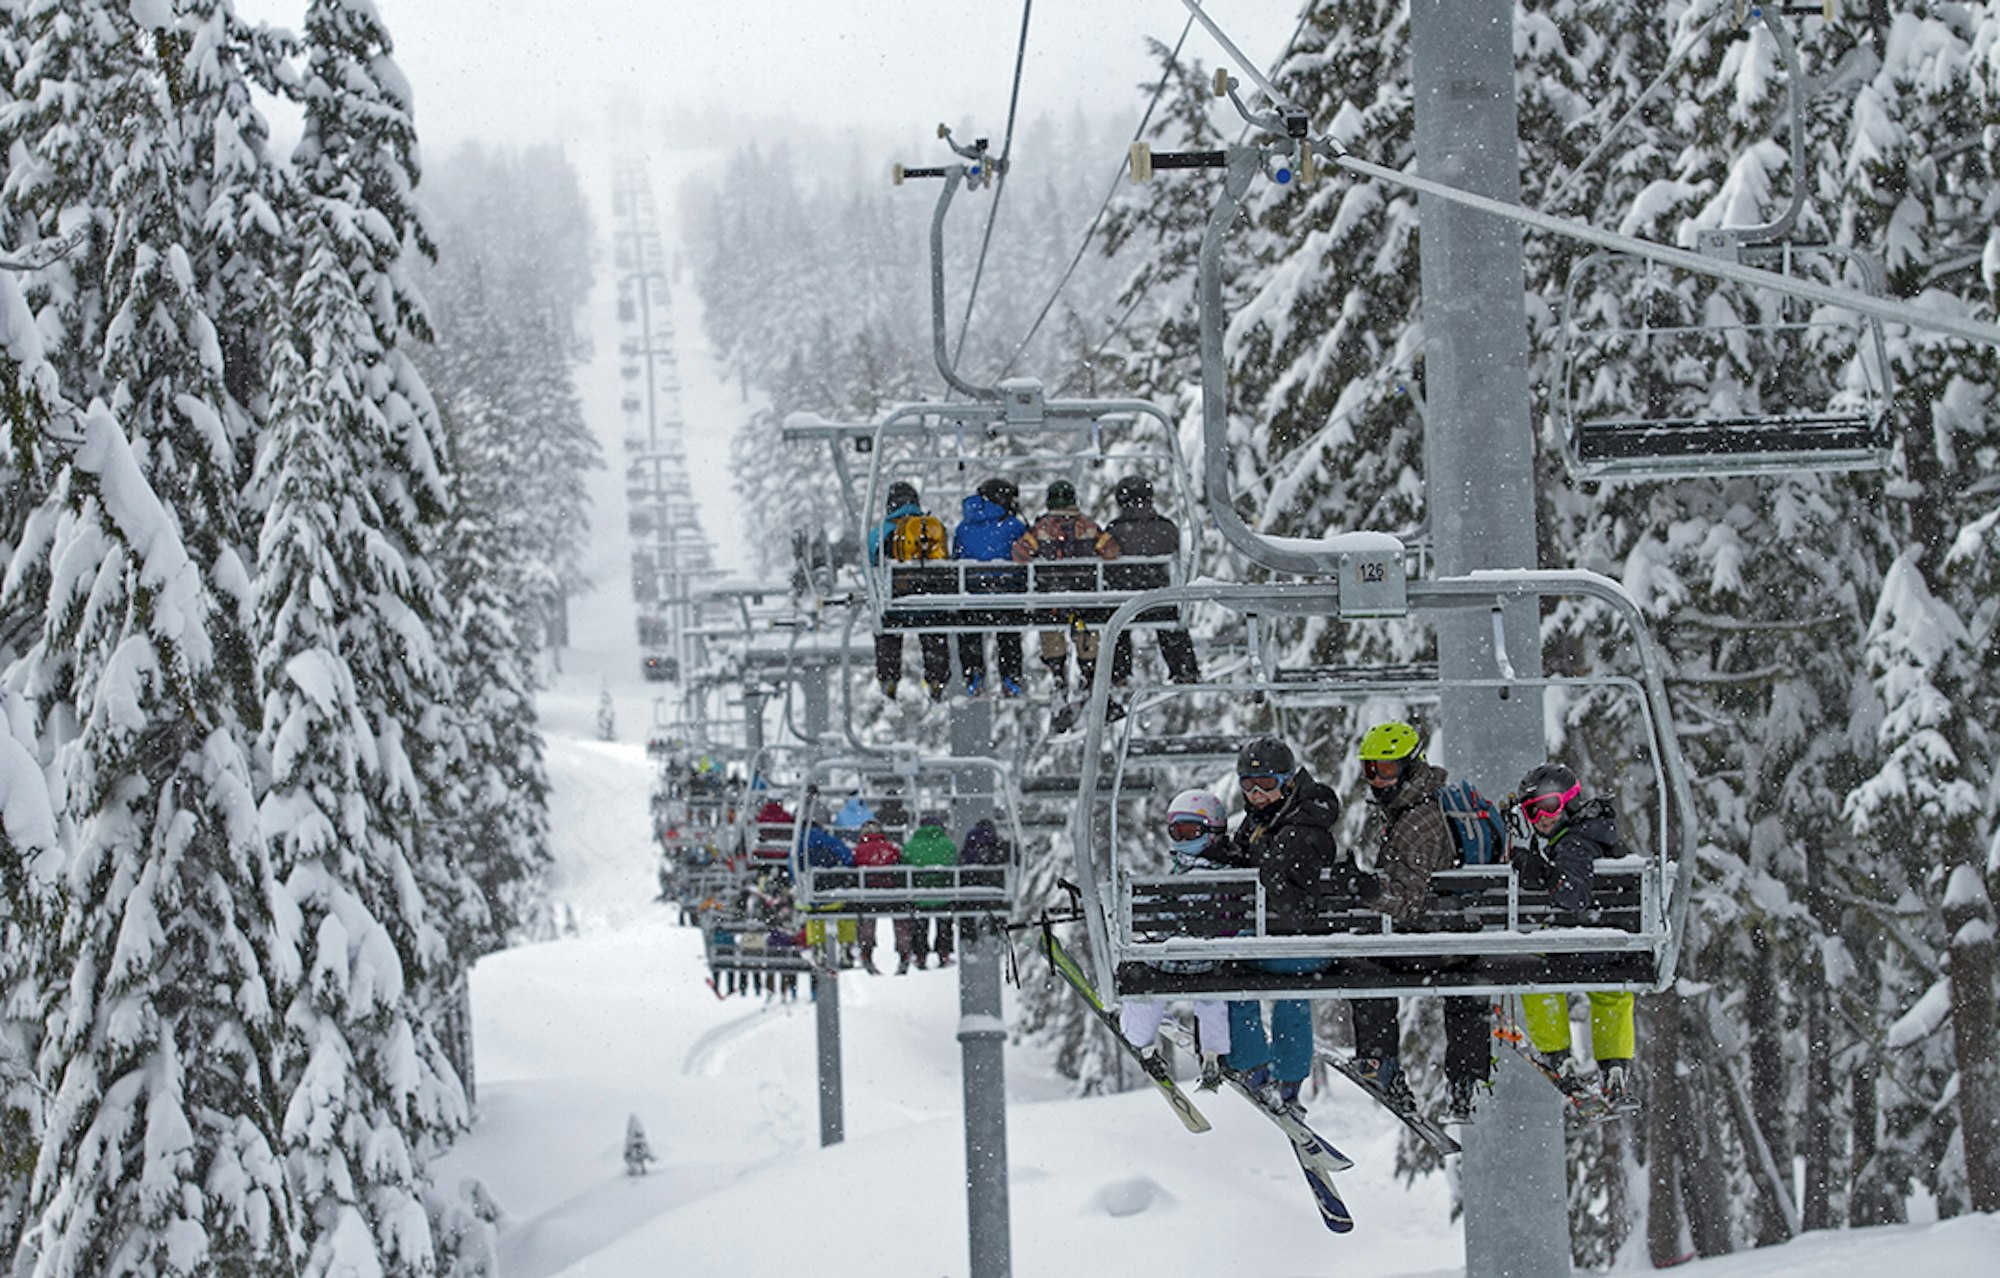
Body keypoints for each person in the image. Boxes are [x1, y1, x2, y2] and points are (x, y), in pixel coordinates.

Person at [1350, 721, 1492, 1121]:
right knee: (1466, 988)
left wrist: (1365, 890)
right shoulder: (1412, 808)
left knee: (1365, 968)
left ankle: (1382, 1065)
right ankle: (1465, 1081)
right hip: (1453, 941)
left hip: (1431, 942)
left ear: (1411, 767)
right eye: (1370, 769)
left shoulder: (1418, 821)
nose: (1377, 780)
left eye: (1387, 769)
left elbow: (1408, 902)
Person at [1209, 737, 1343, 1113]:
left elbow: (1289, 895)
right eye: (1248, 786)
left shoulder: (1299, 829)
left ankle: (1253, 1066)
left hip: (1294, 942)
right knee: (1290, 995)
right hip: (1299, 945)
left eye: (1265, 785)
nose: (1256, 795)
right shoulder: (1272, 818)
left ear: (1287, 782)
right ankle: (1287, 1079)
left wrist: (1262, 872)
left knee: (1232, 977)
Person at [1512, 761, 1636, 1105]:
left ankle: (1556, 1052)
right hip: (1614, 945)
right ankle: (1614, 1063)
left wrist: (1541, 872)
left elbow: (1573, 894)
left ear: (1571, 802)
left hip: (1579, 943)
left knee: (1535, 977)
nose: (1543, 819)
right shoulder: (1598, 832)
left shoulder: (1574, 844)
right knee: (1611, 991)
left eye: (1549, 807)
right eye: (1532, 812)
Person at [1117, 789, 1234, 1089]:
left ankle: (1140, 1039)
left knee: (1144, 980)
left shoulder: (1191, 874)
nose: (1182, 839)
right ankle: (1213, 1051)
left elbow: (1169, 920)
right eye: (1177, 831)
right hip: (1216, 959)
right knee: (1213, 994)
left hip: (1174, 961)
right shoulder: (1226, 869)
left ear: (1213, 832)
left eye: (1190, 831)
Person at [1010, 480, 1120, 697]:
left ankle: (1058, 672)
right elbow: (1111, 550)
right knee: (1085, 630)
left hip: (1051, 598)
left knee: (1051, 630)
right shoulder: (1088, 526)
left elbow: (1020, 555)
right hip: (1083, 597)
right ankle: (1089, 673)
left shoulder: (1041, 528)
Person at [1103, 475, 1200, 686]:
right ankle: (1184, 669)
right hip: (1159, 600)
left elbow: (1106, 560)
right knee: (1173, 625)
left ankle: (1117, 673)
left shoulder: (1114, 530)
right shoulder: (1166, 527)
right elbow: (1175, 550)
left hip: (1126, 602)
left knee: (1115, 626)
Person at [869, 480, 953, 701]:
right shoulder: (932, 527)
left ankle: (888, 677)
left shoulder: (878, 534)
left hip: (894, 605)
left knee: (886, 631)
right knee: (934, 629)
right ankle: (937, 678)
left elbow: (869, 568)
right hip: (929, 605)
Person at [952, 477, 1029, 698]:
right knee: (1009, 634)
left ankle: (974, 676)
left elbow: (957, 555)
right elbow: (1025, 556)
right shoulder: (1013, 525)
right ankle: (1010, 678)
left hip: (972, 597)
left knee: (969, 634)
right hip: (1006, 596)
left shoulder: (963, 527)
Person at [898, 817, 958, 971]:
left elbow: (904, 864)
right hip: (944, 893)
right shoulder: (948, 844)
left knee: (920, 925)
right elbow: (955, 863)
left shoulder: (911, 845)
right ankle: (943, 952)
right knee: (944, 924)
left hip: (919, 894)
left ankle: (920, 955)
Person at [850, 817, 903, 975]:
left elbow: (851, 865)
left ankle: (866, 953)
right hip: (891, 894)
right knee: (902, 917)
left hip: (866, 895)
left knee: (865, 921)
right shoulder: (891, 848)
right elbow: (900, 862)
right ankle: (905, 952)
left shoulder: (857, 850)